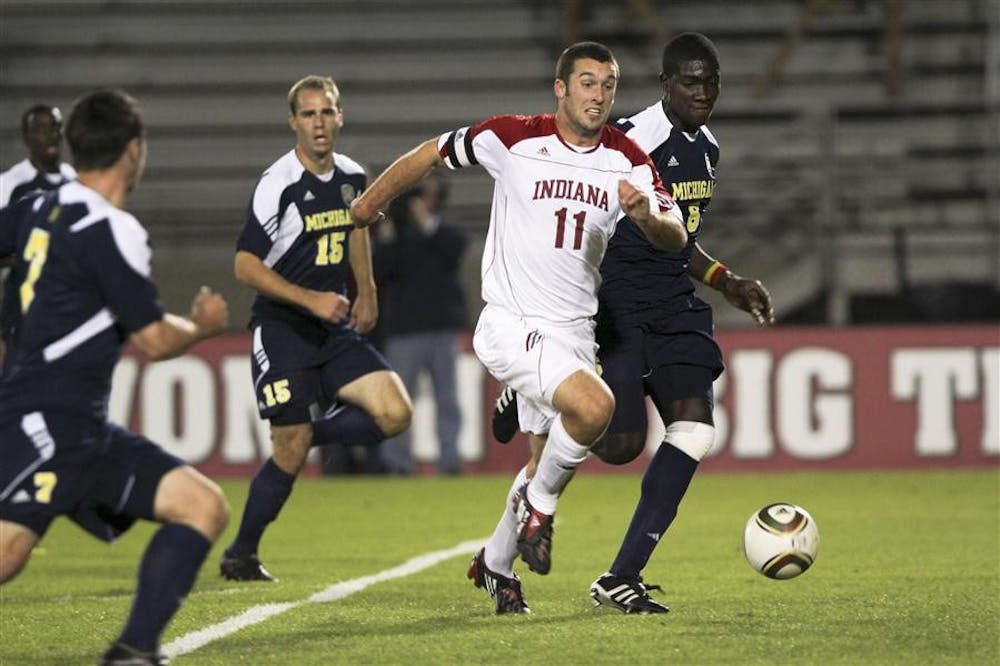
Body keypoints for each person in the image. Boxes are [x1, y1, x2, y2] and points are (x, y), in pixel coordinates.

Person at [350, 41, 688, 614]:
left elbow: (676, 236)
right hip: (511, 321)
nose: (599, 96)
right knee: (595, 410)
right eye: (587, 83)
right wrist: (369, 204)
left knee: (544, 459)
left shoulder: (627, 158)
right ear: (561, 88)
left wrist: (647, 217)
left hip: (573, 331)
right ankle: (540, 508)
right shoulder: (511, 137)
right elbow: (432, 153)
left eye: (608, 85)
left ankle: (496, 566)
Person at [491, 32, 775, 614]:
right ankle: (530, 387)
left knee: (695, 430)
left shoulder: (707, 148)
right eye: (691, 81)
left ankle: (621, 576)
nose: (703, 92)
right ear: (666, 84)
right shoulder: (632, 139)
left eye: (712, 81)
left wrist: (727, 281)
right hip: (617, 308)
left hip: (673, 308)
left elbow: (681, 239)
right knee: (618, 445)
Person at [0, 89, 231, 666]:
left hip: (83, 431)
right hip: (45, 424)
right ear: (133, 151)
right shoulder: (112, 229)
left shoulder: (39, 205)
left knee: (202, 506)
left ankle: (133, 651)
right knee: (5, 557)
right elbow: (153, 340)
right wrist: (202, 326)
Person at [220, 75, 413, 582]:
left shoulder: (352, 175)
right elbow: (244, 264)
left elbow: (358, 228)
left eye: (326, 112)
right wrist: (309, 298)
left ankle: (307, 431)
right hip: (282, 326)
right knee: (289, 449)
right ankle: (241, 552)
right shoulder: (277, 182)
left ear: (340, 116)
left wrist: (366, 292)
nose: (319, 123)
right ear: (294, 123)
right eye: (308, 114)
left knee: (395, 413)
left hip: (333, 329)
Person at [373, 177, 468, 475]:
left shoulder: (441, 231)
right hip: (404, 329)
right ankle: (398, 463)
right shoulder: (396, 236)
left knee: (447, 399)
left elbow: (456, 249)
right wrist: (387, 229)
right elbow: (379, 270)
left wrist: (425, 222)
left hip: (440, 326)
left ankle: (450, 461)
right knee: (400, 402)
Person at [0, 104, 77, 371]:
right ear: (26, 136)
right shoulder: (10, 185)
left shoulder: (75, 182)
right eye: (40, 128)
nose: (50, 135)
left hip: (66, 310)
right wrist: (33, 255)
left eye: (55, 127)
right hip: (19, 313)